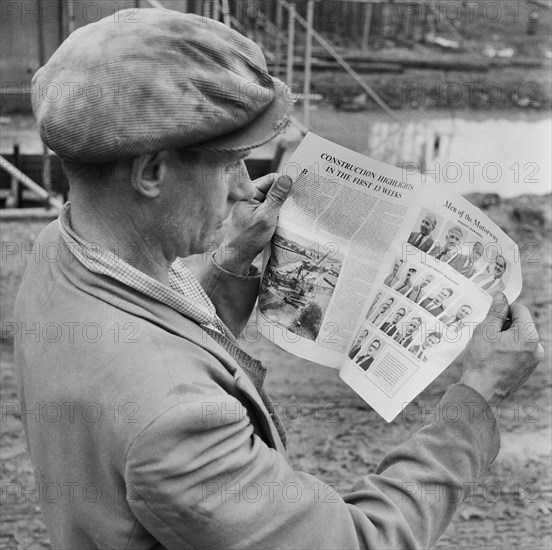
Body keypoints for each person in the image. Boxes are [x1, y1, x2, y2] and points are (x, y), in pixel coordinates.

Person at [14, 8, 543, 550]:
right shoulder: (176, 424)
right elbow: (363, 542)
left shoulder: (57, 252)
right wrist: (478, 396)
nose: (245, 190)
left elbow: (151, 335)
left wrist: (230, 264)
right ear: (151, 172)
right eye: (229, 165)